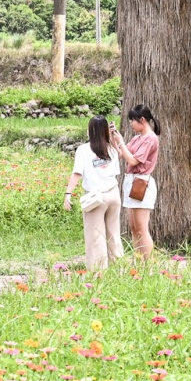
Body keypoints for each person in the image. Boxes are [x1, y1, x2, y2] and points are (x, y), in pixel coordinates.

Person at [64, 116, 123, 272]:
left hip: (96, 197)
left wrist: (68, 193)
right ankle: (118, 267)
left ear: (90, 130)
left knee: (95, 236)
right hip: (114, 194)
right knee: (114, 232)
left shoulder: (84, 150)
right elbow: (116, 172)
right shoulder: (112, 149)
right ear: (105, 130)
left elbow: (77, 173)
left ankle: (98, 271)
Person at [112, 104, 161, 259]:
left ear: (142, 120)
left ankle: (146, 264)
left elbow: (133, 161)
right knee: (134, 227)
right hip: (132, 181)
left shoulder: (150, 139)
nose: (131, 124)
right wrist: (115, 138)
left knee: (141, 228)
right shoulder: (136, 138)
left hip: (141, 183)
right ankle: (139, 259)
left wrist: (120, 141)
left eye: (132, 121)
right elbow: (121, 154)